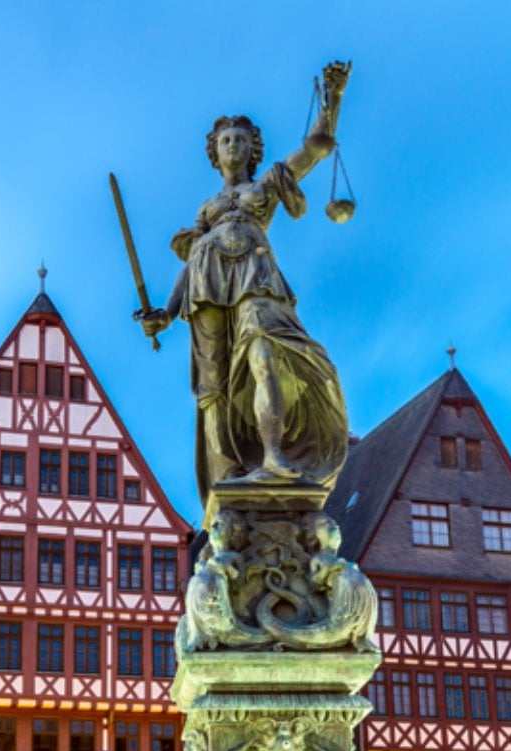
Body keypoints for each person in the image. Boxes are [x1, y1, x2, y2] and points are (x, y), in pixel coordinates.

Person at [137, 63, 354, 508]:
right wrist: (167, 313)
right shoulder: (206, 210)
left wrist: (332, 99)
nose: (233, 145)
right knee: (212, 388)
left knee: (265, 351)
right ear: (215, 153)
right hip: (206, 288)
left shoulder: (268, 184)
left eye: (240, 139)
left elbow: (315, 148)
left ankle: (274, 455)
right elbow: (191, 264)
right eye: (225, 141)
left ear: (252, 149)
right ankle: (227, 478)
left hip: (255, 279)